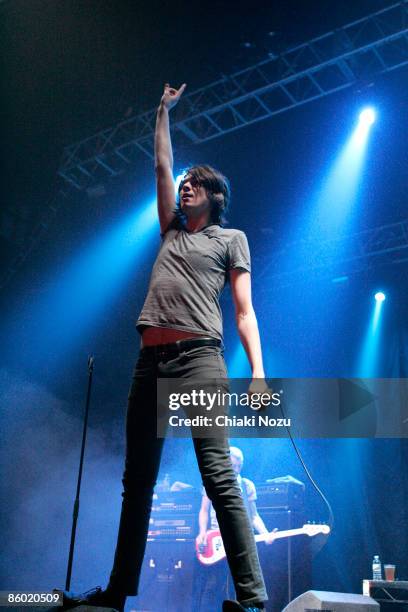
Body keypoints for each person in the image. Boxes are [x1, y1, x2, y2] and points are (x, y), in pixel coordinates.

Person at [58, 83, 270, 612]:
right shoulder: (170, 232)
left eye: (195, 183)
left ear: (215, 196)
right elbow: (160, 165)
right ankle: (116, 594)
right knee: (138, 481)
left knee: (218, 475)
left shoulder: (230, 239)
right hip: (149, 362)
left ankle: (252, 598)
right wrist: (160, 112)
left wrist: (260, 375)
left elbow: (244, 310)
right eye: (185, 183)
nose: (185, 187)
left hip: (199, 360)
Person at [196, 447, 275, 610]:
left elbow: (254, 516)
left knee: (240, 586)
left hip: (241, 542)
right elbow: (204, 510)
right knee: (212, 585)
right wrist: (202, 533)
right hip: (216, 540)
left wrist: (265, 533)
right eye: (232, 466)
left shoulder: (247, 486)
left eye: (239, 466)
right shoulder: (213, 481)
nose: (236, 469)